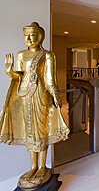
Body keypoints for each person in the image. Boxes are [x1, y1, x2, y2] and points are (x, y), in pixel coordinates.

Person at [0, 22, 69, 189]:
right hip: (25, 96)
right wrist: (9, 71)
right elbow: (19, 77)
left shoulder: (47, 55)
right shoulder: (21, 55)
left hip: (41, 96)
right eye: (26, 35)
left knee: (41, 130)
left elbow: (49, 79)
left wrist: (55, 95)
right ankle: (32, 167)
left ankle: (42, 167)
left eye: (33, 35)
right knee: (29, 131)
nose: (29, 39)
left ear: (41, 36)